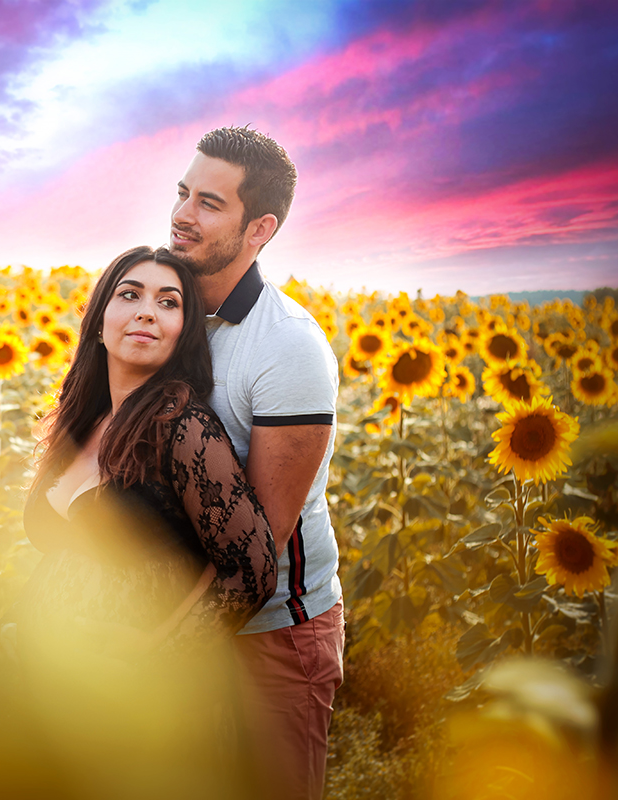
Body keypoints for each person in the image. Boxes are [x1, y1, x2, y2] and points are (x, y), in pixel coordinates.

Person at [15, 244, 278, 799]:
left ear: (183, 330)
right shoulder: (81, 419)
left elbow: (251, 570)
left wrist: (153, 654)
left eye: (168, 302)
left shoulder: (181, 425)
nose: (145, 311)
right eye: (129, 294)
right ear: (100, 317)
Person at [168, 126, 345, 800]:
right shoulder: (167, 310)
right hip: (174, 614)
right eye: (183, 193)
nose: (183, 214)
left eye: (209, 203)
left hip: (272, 630)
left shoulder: (287, 346)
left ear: (259, 228)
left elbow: (257, 551)